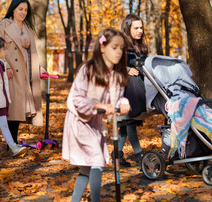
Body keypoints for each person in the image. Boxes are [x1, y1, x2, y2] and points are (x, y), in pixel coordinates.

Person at [62, 28, 130, 202]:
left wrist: (122, 103)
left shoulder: (117, 75)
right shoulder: (88, 70)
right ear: (102, 48)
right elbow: (77, 99)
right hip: (80, 121)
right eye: (114, 47)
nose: (119, 52)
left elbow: (117, 99)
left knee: (86, 167)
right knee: (97, 161)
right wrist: (100, 105)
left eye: (121, 48)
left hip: (96, 123)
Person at [0, 0, 46, 144]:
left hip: (26, 74)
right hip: (10, 73)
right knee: (12, 110)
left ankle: (12, 142)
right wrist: (6, 66)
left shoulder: (29, 29)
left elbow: (33, 53)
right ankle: (11, 143)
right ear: (13, 9)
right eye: (20, 9)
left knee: (21, 109)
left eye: (25, 10)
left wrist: (40, 69)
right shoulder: (3, 25)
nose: (23, 12)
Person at [115, 14, 149, 167]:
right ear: (128, 29)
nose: (139, 31)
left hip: (137, 88)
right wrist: (127, 69)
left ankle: (117, 154)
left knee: (125, 123)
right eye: (136, 28)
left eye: (141, 27)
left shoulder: (141, 47)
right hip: (124, 89)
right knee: (130, 121)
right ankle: (138, 153)